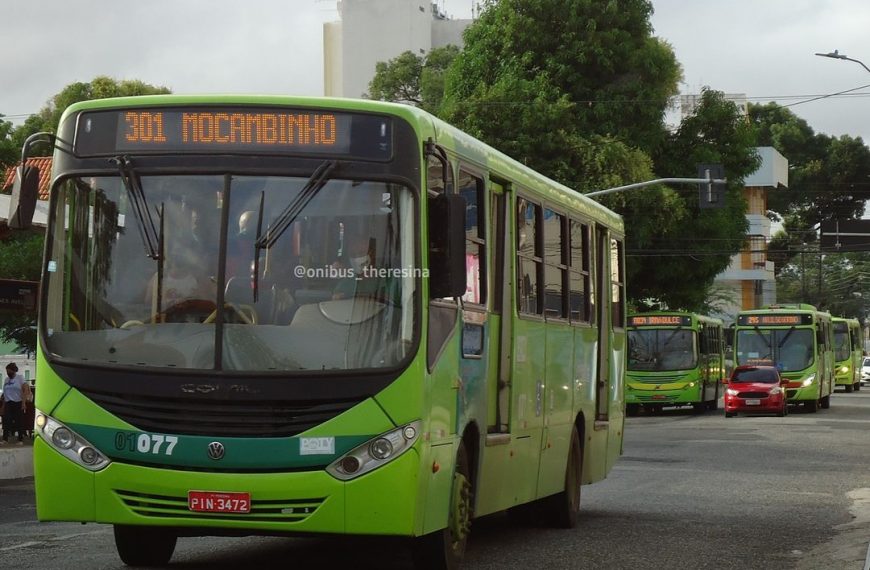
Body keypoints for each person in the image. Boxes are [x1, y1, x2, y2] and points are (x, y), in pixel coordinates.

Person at [1, 363, 32, 445]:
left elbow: (25, 390)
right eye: (7, 371)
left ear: (13, 371)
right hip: (8, 403)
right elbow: (5, 393)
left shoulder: (20, 378)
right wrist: (3, 406)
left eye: (9, 371)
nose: (8, 373)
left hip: (18, 402)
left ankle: (20, 439)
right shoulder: (6, 380)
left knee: (19, 421)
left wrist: (23, 402)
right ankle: (5, 439)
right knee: (6, 421)